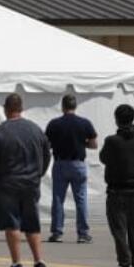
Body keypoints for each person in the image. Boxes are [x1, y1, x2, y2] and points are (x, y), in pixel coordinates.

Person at [0, 94, 51, 267]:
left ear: (6, 109)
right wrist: (39, 173)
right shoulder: (35, 130)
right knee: (32, 222)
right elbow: (47, 154)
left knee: (12, 223)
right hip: (31, 182)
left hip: (8, 183)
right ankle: (39, 261)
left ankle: (16, 263)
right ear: (21, 108)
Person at [100, 103, 134, 267]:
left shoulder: (112, 141)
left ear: (117, 120)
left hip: (116, 189)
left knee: (119, 229)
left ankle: (125, 266)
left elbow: (103, 158)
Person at [44, 94, 97, 244]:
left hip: (60, 163)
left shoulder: (54, 124)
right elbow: (94, 144)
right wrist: (82, 143)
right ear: (75, 106)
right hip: (78, 163)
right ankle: (83, 233)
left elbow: (46, 145)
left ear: (63, 106)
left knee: (58, 199)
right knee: (80, 199)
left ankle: (57, 232)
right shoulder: (84, 123)